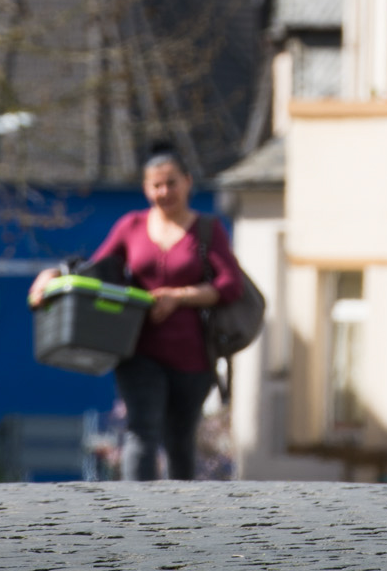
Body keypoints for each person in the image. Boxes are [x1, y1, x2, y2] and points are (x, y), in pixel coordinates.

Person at [28, 148, 244, 480]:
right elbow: (95, 271)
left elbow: (230, 285)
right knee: (141, 431)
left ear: (187, 183)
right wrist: (53, 275)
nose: (164, 192)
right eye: (156, 185)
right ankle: (134, 516)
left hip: (194, 356)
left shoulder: (207, 230)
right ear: (146, 188)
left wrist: (179, 296)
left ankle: (182, 517)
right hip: (138, 349)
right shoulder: (131, 226)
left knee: (180, 439)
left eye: (171, 183)